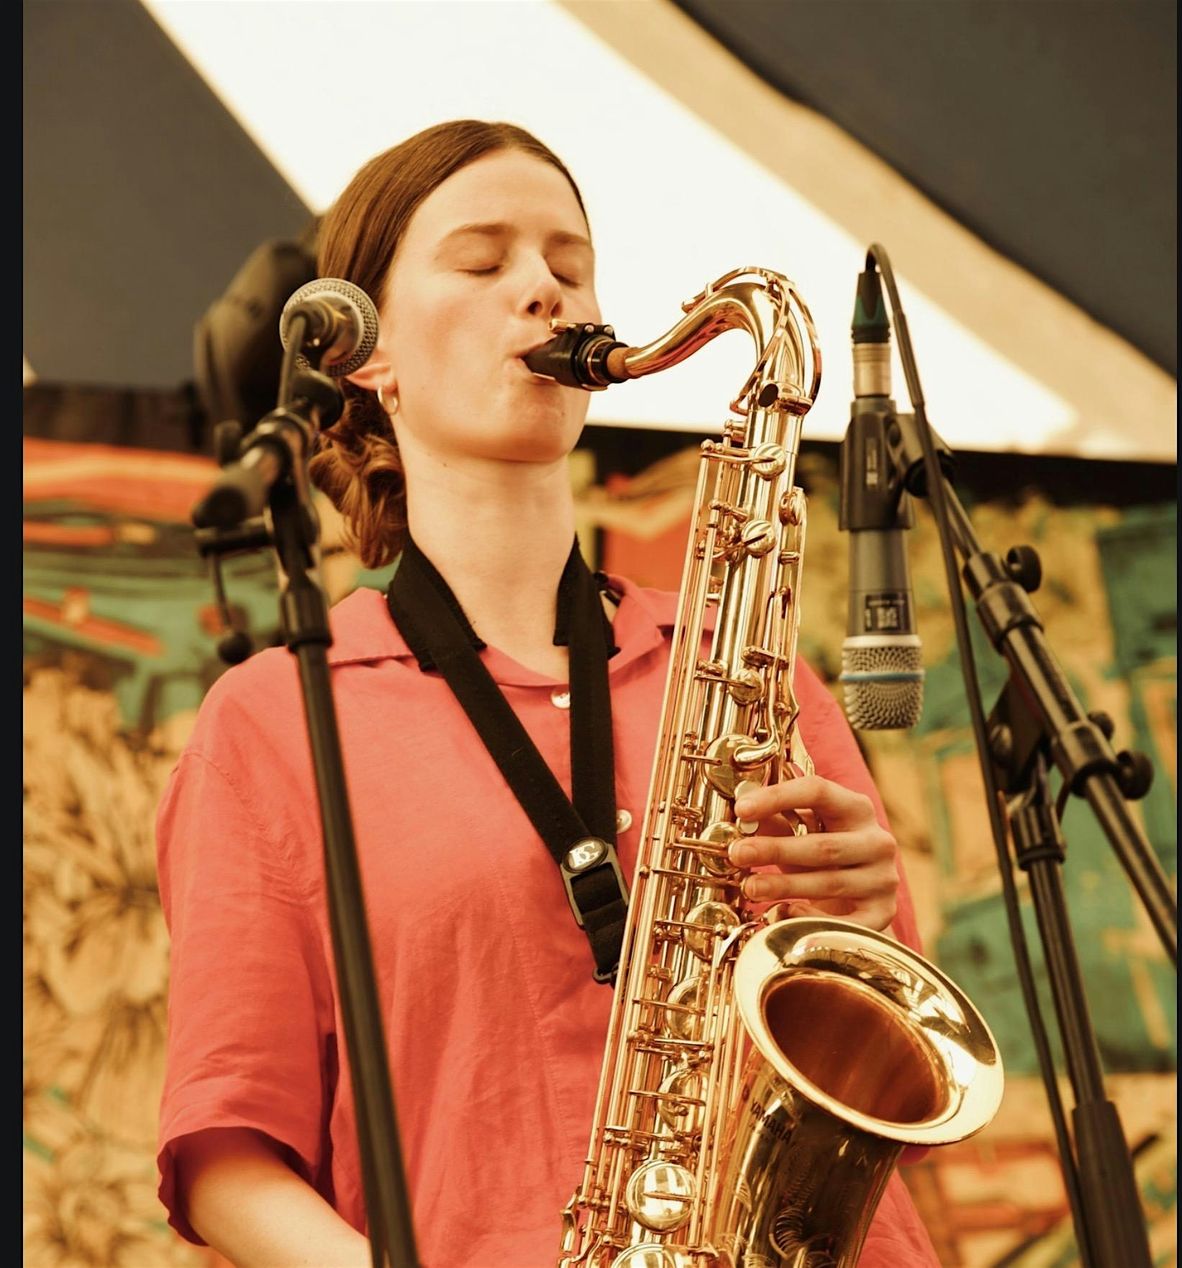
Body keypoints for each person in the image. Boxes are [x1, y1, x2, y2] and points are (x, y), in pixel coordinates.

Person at [156, 119, 941, 1268]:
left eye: (569, 264)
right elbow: (225, 1155)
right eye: (483, 261)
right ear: (367, 354)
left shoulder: (751, 666)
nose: (544, 289)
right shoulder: (279, 719)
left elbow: (901, 1095)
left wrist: (863, 931)